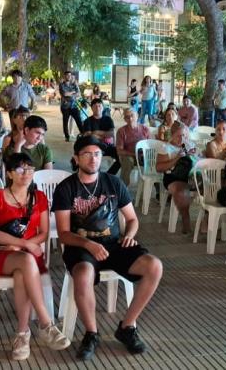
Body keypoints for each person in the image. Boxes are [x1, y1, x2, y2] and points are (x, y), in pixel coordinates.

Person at [53, 136, 163, 360]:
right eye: (87, 154)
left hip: (113, 244)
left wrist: (130, 236)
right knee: (83, 274)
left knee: (154, 266)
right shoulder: (66, 188)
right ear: (76, 158)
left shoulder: (113, 183)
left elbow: (132, 220)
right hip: (81, 245)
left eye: (97, 154)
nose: (93, 159)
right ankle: (91, 333)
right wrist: (88, 244)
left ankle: (127, 326)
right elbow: (64, 234)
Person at [0, 153, 70, 359]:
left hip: (28, 256)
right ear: (10, 173)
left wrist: (26, 247)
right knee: (27, 261)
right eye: (21, 169)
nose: (27, 173)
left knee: (24, 269)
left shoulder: (39, 198)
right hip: (1, 254)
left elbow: (44, 232)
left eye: (30, 169)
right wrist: (23, 244)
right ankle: (46, 324)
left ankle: (22, 334)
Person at [155, 123, 197, 234]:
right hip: (173, 177)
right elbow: (159, 168)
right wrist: (177, 157)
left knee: (209, 191)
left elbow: (200, 163)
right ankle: (185, 218)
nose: (181, 138)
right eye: (178, 135)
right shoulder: (166, 147)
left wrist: (194, 156)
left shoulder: (190, 145)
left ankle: (207, 222)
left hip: (190, 177)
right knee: (182, 192)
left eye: (184, 135)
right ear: (172, 135)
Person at [79, 99, 120, 175]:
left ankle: (109, 175)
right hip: (93, 147)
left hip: (108, 146)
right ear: (91, 108)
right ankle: (96, 175)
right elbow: (88, 135)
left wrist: (96, 132)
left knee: (121, 157)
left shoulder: (108, 119)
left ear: (103, 107)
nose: (97, 108)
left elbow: (111, 133)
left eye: (99, 106)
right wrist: (104, 135)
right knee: (92, 160)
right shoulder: (87, 121)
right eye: (95, 106)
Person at [116, 108, 150, 184]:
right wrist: (134, 154)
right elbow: (119, 151)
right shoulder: (121, 131)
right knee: (127, 161)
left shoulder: (145, 129)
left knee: (154, 161)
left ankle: (157, 189)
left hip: (143, 156)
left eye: (132, 115)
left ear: (137, 116)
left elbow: (150, 146)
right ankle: (123, 188)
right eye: (127, 117)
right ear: (125, 119)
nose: (130, 118)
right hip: (129, 156)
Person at [59, 71, 84, 142]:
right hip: (65, 106)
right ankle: (67, 136)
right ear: (64, 76)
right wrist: (73, 92)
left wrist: (71, 94)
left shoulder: (74, 84)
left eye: (69, 75)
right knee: (65, 122)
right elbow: (65, 94)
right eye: (67, 75)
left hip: (74, 106)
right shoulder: (61, 85)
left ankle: (83, 133)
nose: (68, 77)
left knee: (79, 120)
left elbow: (79, 94)